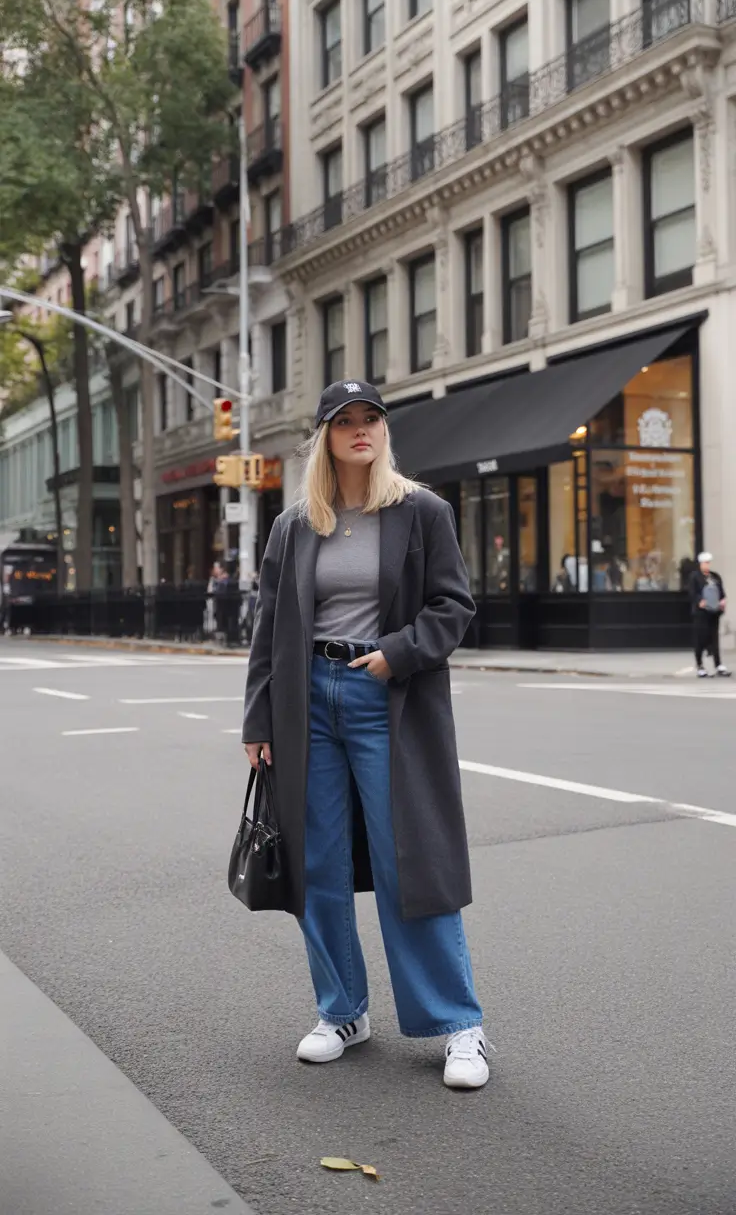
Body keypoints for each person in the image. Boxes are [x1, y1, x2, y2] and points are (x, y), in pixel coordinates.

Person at [242, 379, 489, 1090]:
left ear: (384, 431)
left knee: (410, 860)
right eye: (344, 420)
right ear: (324, 435)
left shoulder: (422, 512)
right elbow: (269, 630)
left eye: (370, 418)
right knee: (317, 863)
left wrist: (400, 651)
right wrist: (258, 720)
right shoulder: (295, 525)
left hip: (386, 695)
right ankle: (342, 1011)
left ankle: (459, 1025)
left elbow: (454, 605)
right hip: (306, 703)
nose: (359, 429)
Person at [689, 552, 731, 678]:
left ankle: (718, 664)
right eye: (705, 562)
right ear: (700, 563)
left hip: (714, 612)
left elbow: (721, 592)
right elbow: (692, 592)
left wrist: (722, 601)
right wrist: (699, 601)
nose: (707, 565)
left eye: (708, 562)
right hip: (701, 613)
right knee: (700, 638)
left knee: (714, 638)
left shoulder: (715, 576)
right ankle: (700, 665)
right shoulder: (695, 576)